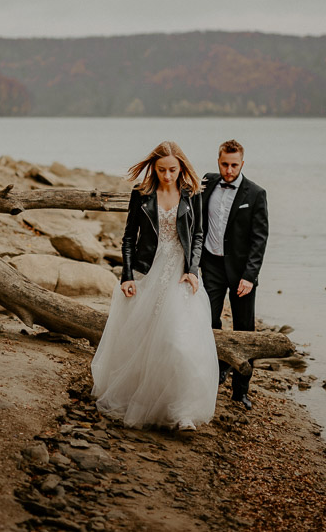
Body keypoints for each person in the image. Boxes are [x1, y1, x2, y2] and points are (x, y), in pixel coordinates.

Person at [91, 141, 217, 436]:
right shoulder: (142, 193)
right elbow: (128, 237)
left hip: (180, 275)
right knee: (143, 341)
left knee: (179, 342)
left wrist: (192, 270)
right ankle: (143, 400)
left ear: (181, 167)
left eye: (173, 170)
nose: (168, 175)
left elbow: (198, 235)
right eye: (162, 170)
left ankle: (183, 412)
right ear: (153, 168)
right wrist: (126, 276)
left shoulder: (193, 193)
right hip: (147, 271)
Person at [200, 139, 269, 410]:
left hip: (242, 272)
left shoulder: (256, 194)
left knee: (244, 329)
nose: (229, 171)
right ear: (218, 162)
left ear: (242, 164)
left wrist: (250, 276)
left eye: (234, 165)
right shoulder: (207, 182)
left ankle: (240, 391)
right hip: (212, 265)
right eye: (224, 164)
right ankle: (217, 366)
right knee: (207, 319)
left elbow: (259, 239)